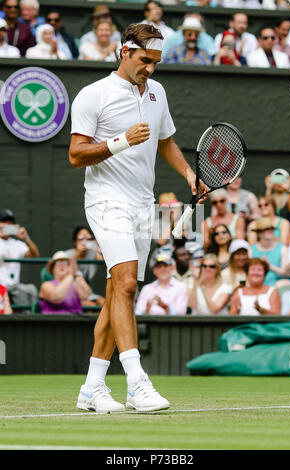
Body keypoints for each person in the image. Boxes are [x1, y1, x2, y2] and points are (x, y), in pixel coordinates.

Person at [69, 23, 208, 413]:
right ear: (124, 51)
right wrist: (121, 140)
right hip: (105, 200)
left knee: (117, 294)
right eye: (146, 60)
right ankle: (136, 382)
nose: (151, 69)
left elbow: (165, 141)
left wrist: (187, 172)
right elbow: (76, 155)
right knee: (127, 284)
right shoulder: (93, 95)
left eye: (157, 62)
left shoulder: (157, 92)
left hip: (143, 205)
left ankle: (92, 387)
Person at [0, 208, 40, 307]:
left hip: (14, 287)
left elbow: (34, 254)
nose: (6, 226)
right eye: (4, 222)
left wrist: (26, 238)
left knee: (30, 290)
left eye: (10, 224)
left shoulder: (17, 244)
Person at [64, 225, 105, 308]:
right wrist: (79, 253)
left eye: (87, 238)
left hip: (87, 290)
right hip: (71, 290)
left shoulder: (92, 253)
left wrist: (98, 248)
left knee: (103, 302)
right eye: (81, 238)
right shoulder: (68, 254)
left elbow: (102, 260)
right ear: (75, 241)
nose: (84, 241)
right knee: (90, 306)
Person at [250, 217, 288, 286]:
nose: (270, 231)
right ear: (259, 233)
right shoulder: (251, 250)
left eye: (272, 229)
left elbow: (286, 273)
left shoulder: (282, 248)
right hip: (256, 287)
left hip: (277, 287)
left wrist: (269, 266)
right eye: (266, 229)